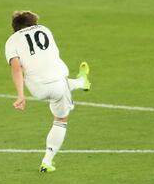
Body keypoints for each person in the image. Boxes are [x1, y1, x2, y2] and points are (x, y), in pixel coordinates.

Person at [5, 11, 91, 172]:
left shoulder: (11, 41)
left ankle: (81, 82)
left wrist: (21, 95)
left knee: (47, 79)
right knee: (60, 120)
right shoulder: (45, 29)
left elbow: (16, 69)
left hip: (37, 88)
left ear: (15, 28)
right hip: (59, 82)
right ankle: (47, 161)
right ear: (34, 23)